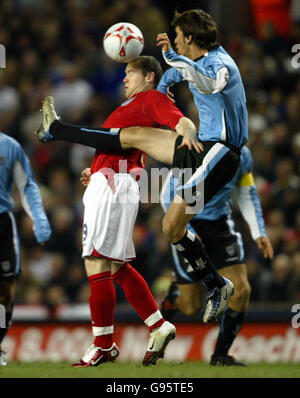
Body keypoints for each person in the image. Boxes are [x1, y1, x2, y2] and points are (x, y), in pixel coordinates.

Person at [36, 9, 247, 324]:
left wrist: (183, 116)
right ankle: (217, 284)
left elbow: (208, 82)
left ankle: (59, 130)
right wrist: (164, 87)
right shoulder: (183, 65)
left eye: (177, 38)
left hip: (219, 152)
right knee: (171, 227)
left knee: (135, 139)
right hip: (200, 152)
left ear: (189, 38)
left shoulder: (220, 64)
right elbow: (169, 87)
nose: (172, 42)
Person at [38, 55, 208, 368]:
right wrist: (96, 170)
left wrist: (187, 128)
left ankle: (103, 345)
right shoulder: (127, 110)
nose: (125, 78)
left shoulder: (150, 99)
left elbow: (176, 119)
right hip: (110, 182)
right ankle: (158, 325)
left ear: (149, 78)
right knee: (114, 267)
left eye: (131, 73)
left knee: (96, 262)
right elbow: (117, 147)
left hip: (115, 186)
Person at [160, 145, 274, 366]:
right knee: (191, 306)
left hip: (220, 228)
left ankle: (220, 355)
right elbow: (167, 195)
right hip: (187, 223)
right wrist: (187, 234)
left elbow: (245, 190)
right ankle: (175, 296)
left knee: (241, 291)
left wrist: (258, 230)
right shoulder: (191, 151)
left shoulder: (243, 154)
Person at [0, 131, 51, 366]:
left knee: (5, 290)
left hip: (2, 223)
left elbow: (27, 184)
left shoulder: (9, 146)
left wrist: (39, 218)